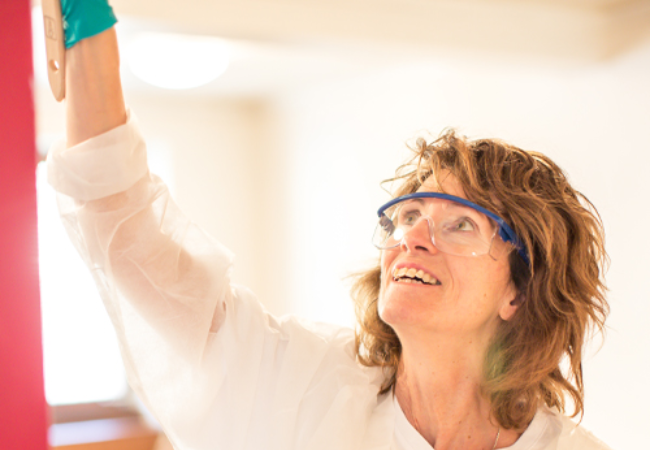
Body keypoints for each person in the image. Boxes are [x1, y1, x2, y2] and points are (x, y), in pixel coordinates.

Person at [46, 2, 612, 449]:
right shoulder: (296, 386)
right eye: (409, 214)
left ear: (519, 289)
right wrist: (86, 16)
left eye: (461, 225)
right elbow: (122, 226)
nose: (412, 237)